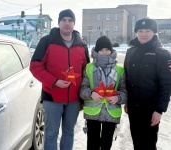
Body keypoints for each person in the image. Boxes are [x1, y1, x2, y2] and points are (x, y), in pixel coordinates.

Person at [30, 9, 90, 150]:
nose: (67, 23)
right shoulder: (47, 41)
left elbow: (87, 70)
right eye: (64, 20)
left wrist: (85, 95)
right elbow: (35, 66)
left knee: (69, 132)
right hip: (52, 97)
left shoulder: (81, 45)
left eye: (70, 20)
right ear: (59, 23)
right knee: (51, 133)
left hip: (74, 99)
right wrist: (54, 82)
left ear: (74, 23)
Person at [124, 18, 171, 150]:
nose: (143, 34)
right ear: (136, 32)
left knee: (149, 144)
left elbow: (166, 85)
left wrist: (159, 110)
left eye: (148, 31)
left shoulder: (162, 54)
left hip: (151, 109)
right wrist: (127, 102)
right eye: (140, 30)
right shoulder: (130, 52)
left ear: (154, 32)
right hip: (133, 107)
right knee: (137, 143)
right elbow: (126, 79)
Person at [80, 36, 127, 150]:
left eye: (107, 49)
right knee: (92, 143)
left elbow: (124, 91)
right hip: (93, 112)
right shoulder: (89, 68)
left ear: (111, 51)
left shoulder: (119, 70)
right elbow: (82, 89)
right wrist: (91, 93)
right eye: (101, 49)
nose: (104, 52)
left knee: (107, 144)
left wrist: (118, 98)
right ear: (96, 51)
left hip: (111, 112)